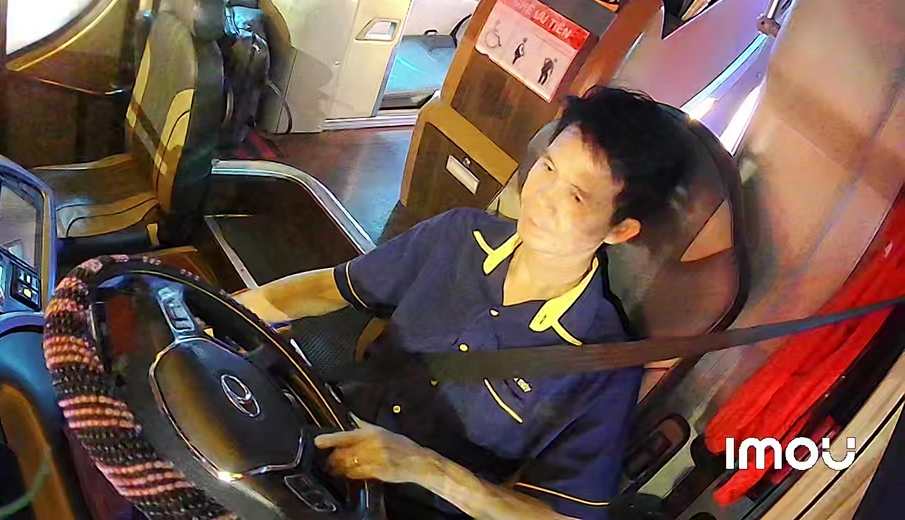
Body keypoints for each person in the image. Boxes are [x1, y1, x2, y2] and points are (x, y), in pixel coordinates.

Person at [235, 86, 693, 519]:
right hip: (323, 433)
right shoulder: (458, 236)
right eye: (548, 167)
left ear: (619, 230)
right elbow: (329, 288)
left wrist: (426, 468)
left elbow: (561, 515)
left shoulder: (602, 364)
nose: (541, 198)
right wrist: (221, 310)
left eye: (576, 195)